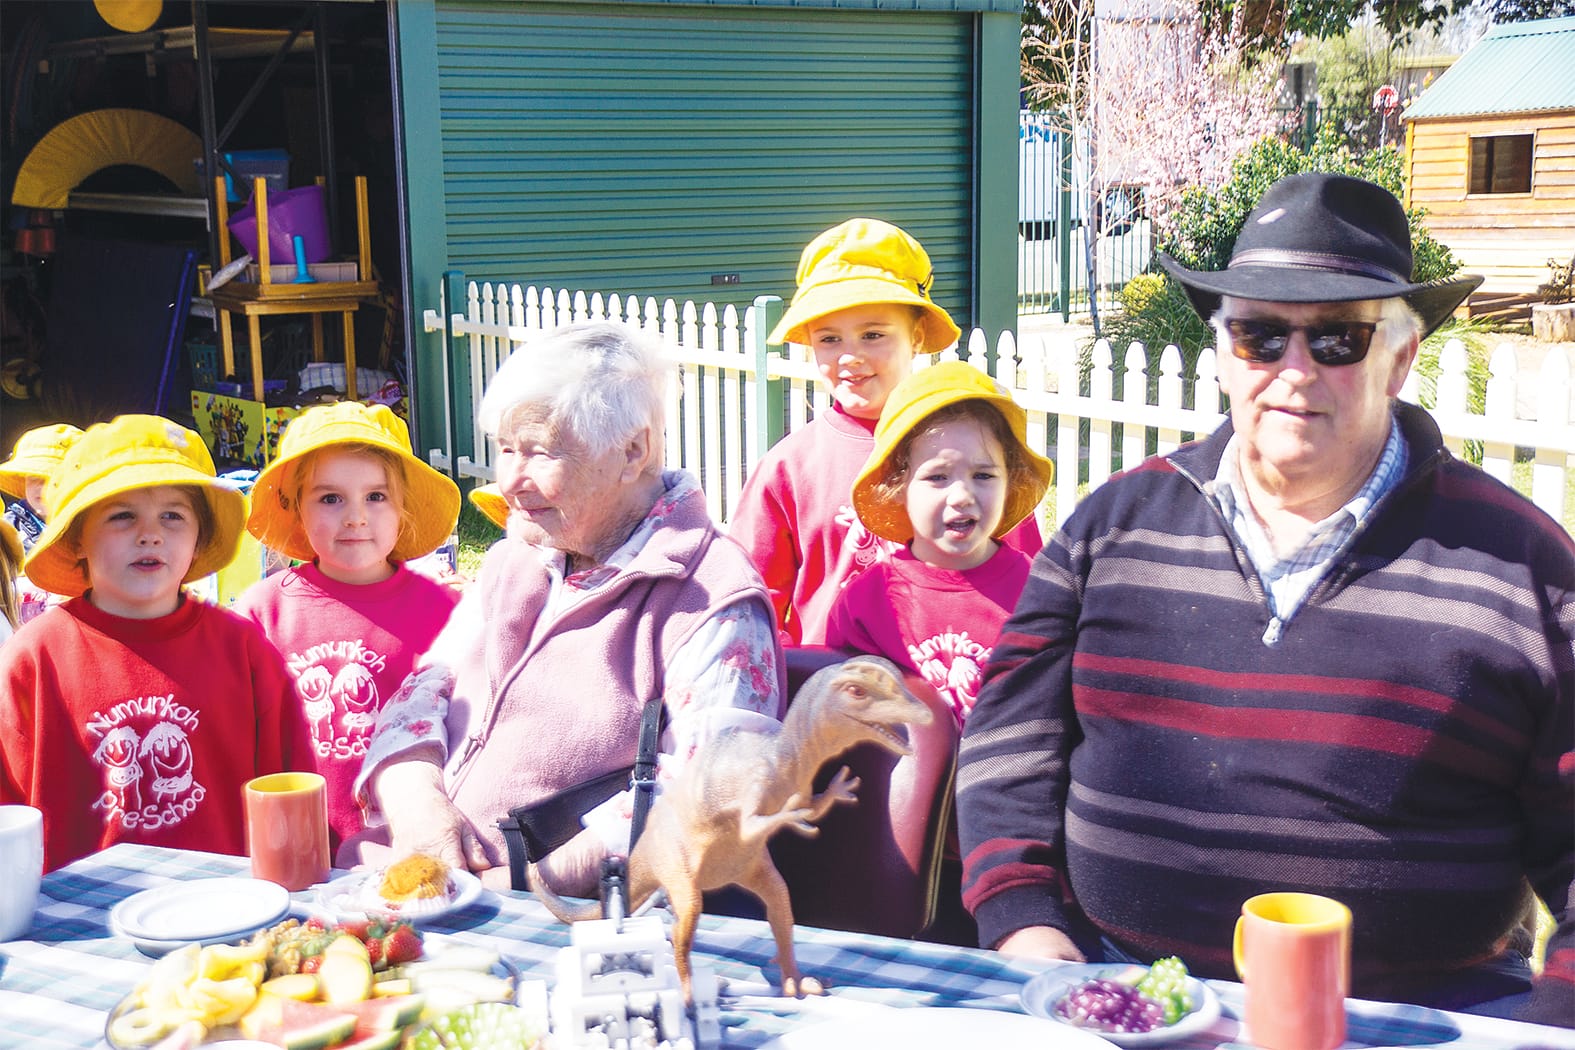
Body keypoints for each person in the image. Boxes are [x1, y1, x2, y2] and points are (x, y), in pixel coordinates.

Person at [956, 172, 1573, 1027]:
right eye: (1258, 335)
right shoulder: (1112, 527)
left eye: (1335, 340)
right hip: (1122, 1000)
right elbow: (1009, 737)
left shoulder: (1521, 567)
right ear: (1219, 352)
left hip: (1416, 1023)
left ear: (1398, 359)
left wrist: (1548, 1029)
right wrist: (1023, 920)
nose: (1292, 370)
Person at [341, 322, 784, 897]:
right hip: (405, 877)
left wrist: (524, 887)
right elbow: (424, 692)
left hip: (569, 925)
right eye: (504, 449)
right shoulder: (517, 557)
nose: (510, 482)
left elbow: (711, 797)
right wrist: (419, 809)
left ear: (633, 451)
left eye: (539, 452)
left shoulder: (711, 599)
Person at [0, 415, 309, 871]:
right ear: (77, 537)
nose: (151, 534)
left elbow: (290, 784)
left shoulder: (243, 649)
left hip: (228, 904)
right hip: (83, 918)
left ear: (199, 536)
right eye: (122, 516)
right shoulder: (33, 658)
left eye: (173, 515)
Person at [729, 217, 1041, 648]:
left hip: (960, 689)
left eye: (873, 334)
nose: (850, 357)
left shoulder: (977, 455)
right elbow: (746, 599)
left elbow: (1026, 580)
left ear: (915, 337)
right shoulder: (789, 467)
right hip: (835, 694)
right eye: (829, 339)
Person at [233, 402, 462, 850]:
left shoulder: (444, 610)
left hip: (408, 844)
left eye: (375, 497)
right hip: (293, 841)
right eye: (330, 498)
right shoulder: (262, 611)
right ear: (295, 507)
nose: (355, 516)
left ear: (403, 509)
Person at [825, 361, 1052, 727]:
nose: (962, 495)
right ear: (899, 486)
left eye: (983, 475)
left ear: (1010, 481)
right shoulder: (867, 602)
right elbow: (843, 719)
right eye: (938, 477)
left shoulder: (1039, 594)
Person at [0, 422, 83, 554]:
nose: (41, 485)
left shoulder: (96, 527)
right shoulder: (7, 531)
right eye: (33, 476)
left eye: (52, 477)